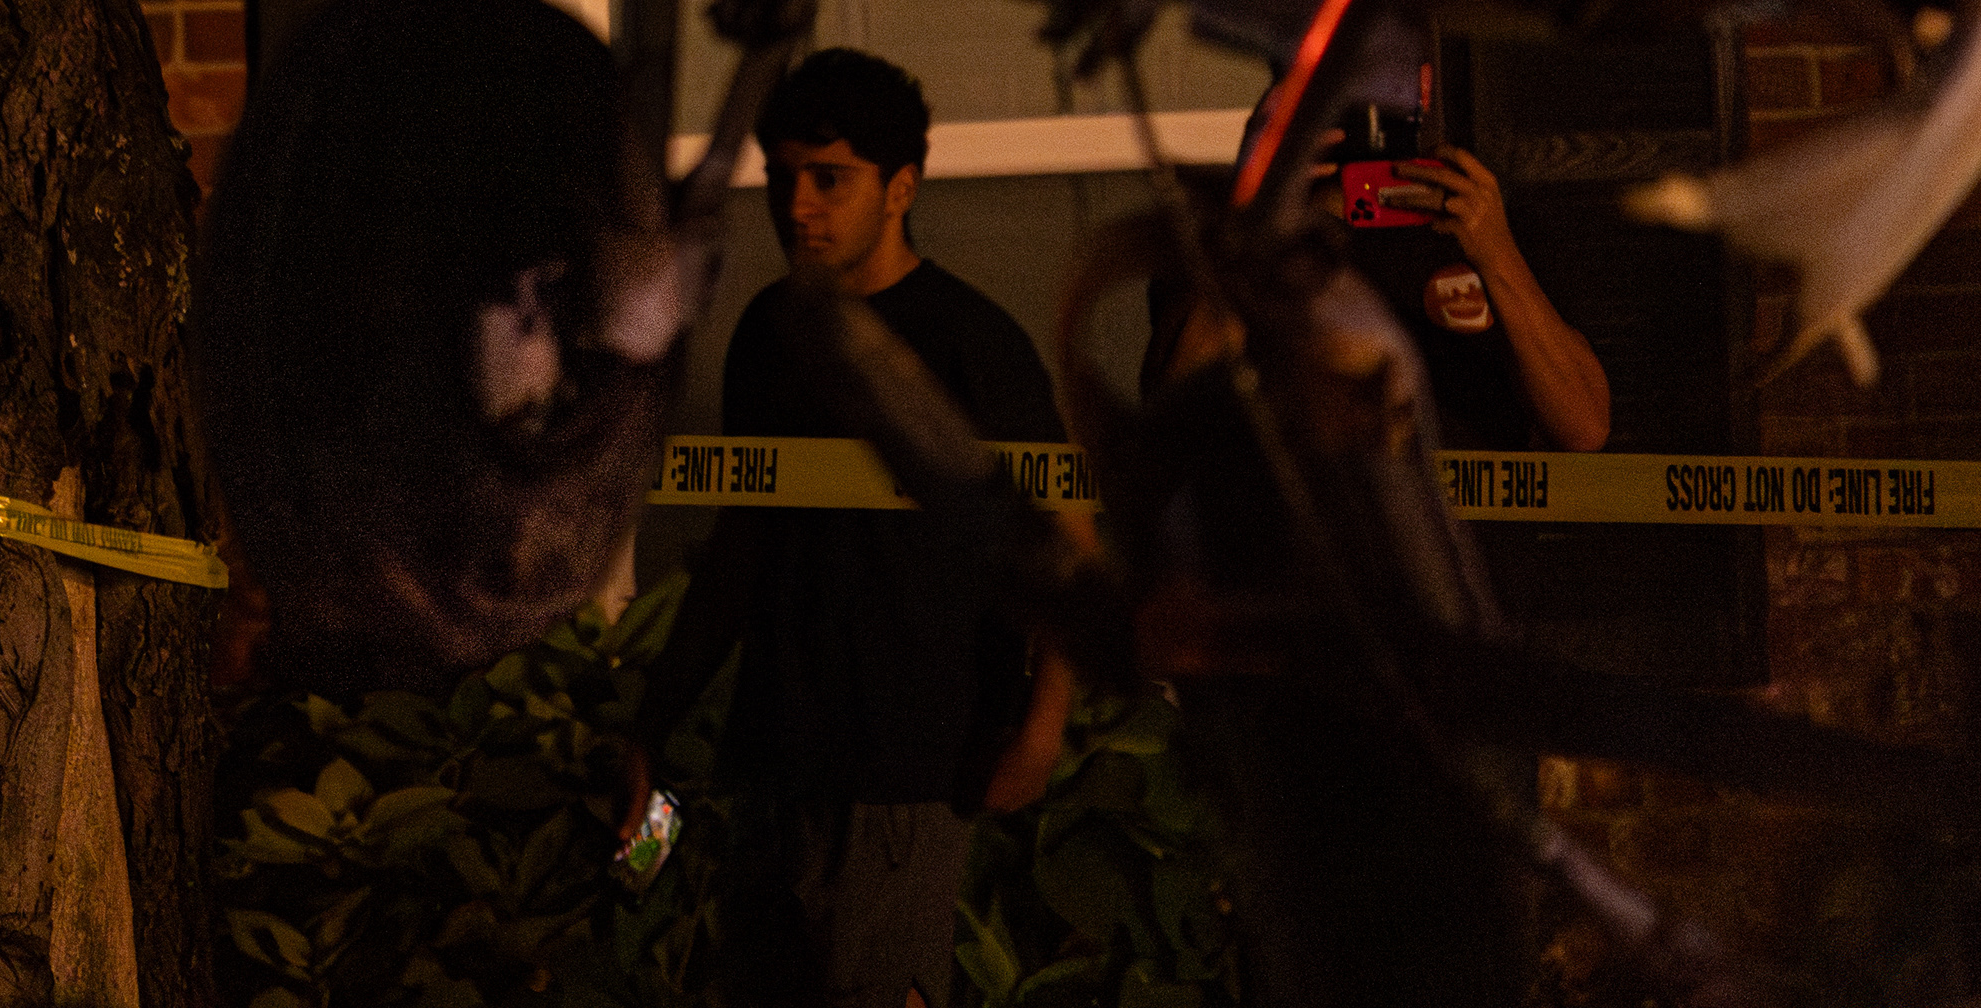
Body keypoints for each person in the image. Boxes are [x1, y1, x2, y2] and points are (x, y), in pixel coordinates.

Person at [632, 49, 1071, 1008]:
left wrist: (1039, 732)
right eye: (786, 177)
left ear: (901, 185)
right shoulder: (769, 332)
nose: (799, 206)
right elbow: (739, 548)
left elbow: (1060, 547)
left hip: (908, 759)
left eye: (830, 178)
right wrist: (652, 721)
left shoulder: (975, 345)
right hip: (776, 756)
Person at [1151, 104, 1612, 453]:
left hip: (1458, 549)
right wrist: (1263, 221)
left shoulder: (1487, 225)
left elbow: (1585, 424)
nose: (1385, 114)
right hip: (1325, 539)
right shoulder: (1229, 239)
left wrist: (1496, 252)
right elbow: (1176, 399)